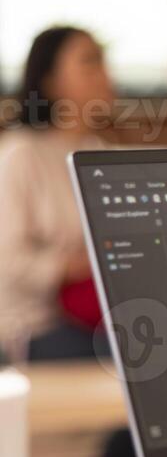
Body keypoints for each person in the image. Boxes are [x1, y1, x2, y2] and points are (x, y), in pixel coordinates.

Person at [0, 27, 113, 363]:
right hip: (33, 328)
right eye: (90, 62)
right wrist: (72, 266)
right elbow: (7, 262)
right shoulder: (21, 155)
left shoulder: (97, 153)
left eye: (104, 61)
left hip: (93, 317)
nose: (106, 74)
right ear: (51, 81)